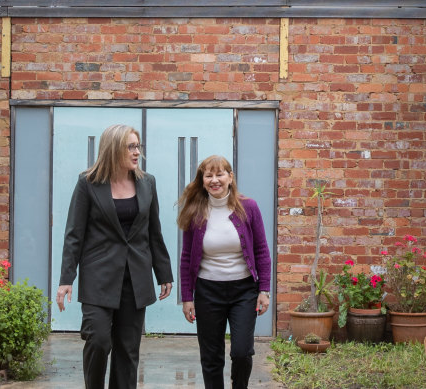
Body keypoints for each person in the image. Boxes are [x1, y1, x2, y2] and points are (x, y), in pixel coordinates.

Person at [56, 124, 174, 389]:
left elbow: (153, 231)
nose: (136, 152)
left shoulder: (147, 183)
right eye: (130, 147)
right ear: (113, 149)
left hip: (136, 277)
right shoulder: (88, 184)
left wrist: (163, 272)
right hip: (99, 276)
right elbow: (74, 234)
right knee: (98, 340)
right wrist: (66, 279)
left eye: (138, 146)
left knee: (128, 349)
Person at [178, 155, 271, 389]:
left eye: (220, 174)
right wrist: (187, 297)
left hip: (243, 291)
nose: (214, 180)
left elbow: (261, 250)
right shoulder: (195, 210)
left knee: (241, 352)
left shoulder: (248, 207)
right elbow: (186, 256)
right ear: (202, 180)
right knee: (211, 356)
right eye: (208, 175)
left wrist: (264, 290)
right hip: (208, 291)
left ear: (230, 177)